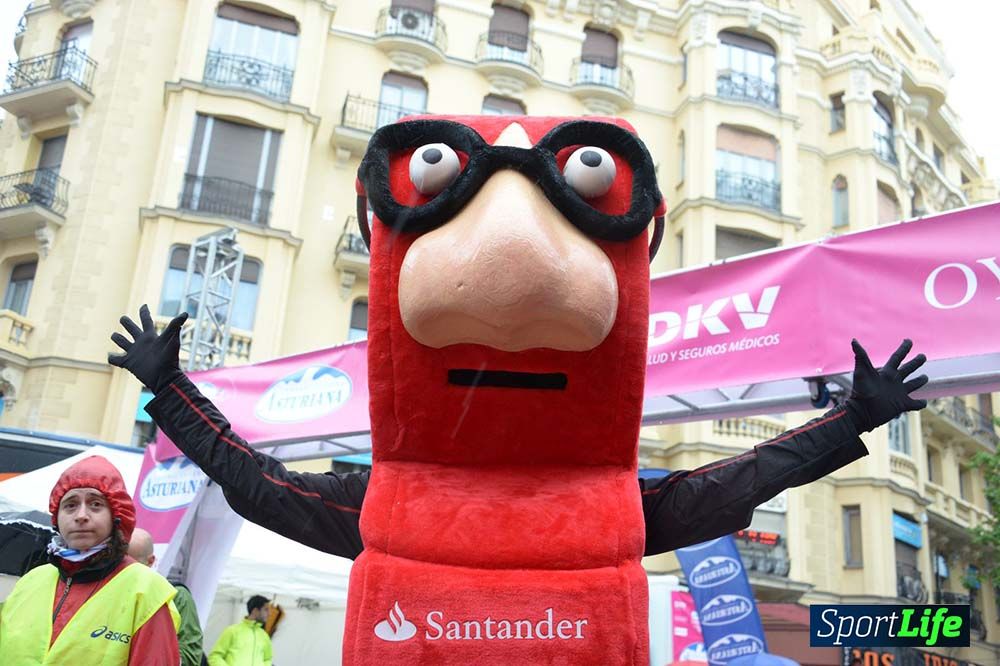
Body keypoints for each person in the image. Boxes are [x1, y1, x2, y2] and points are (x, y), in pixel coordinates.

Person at [107, 306, 926, 561]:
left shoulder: (600, 501)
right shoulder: (390, 498)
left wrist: (850, 420)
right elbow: (257, 484)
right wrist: (170, 393)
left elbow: (739, 481)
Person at [0, 455, 180, 665]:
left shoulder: (147, 591)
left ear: (117, 516)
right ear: (56, 517)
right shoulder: (31, 581)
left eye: (95, 504)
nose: (81, 515)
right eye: (70, 505)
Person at [129, 527, 205, 666]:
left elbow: (190, 655)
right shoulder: (105, 590)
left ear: (150, 561)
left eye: (133, 564)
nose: (125, 570)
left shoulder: (177, 595)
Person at [208, 594, 273, 666]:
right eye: (266, 610)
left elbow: (267, 659)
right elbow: (215, 656)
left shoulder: (264, 635)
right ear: (255, 611)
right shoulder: (232, 631)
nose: (269, 613)